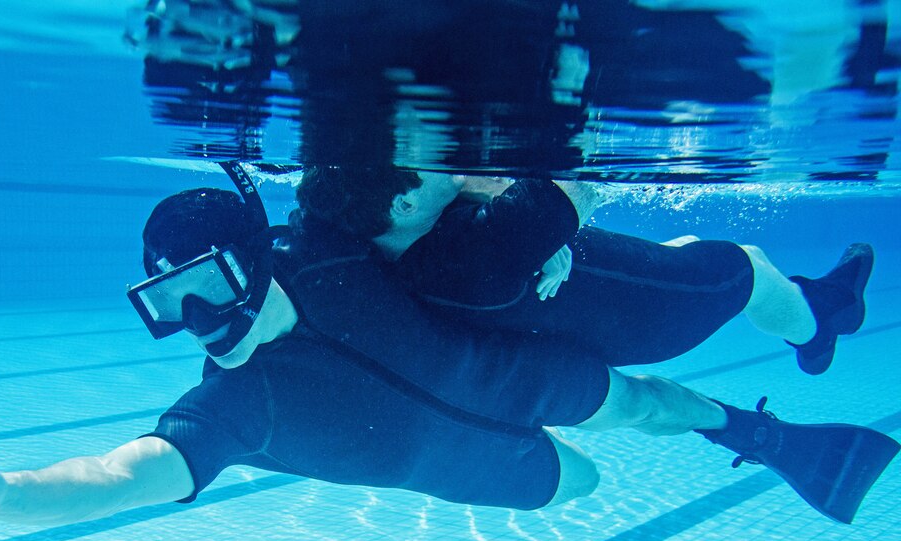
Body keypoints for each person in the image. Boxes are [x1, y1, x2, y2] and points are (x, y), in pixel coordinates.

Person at [0, 178, 898, 532]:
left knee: (641, 403)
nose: (199, 319)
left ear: (257, 256)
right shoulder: (236, 405)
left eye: (206, 284)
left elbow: (423, 182)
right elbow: (134, 471)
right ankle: (766, 410)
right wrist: (12, 495)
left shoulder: (332, 242)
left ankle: (766, 425)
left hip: (535, 366)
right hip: (496, 469)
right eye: (168, 305)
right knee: (578, 481)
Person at [296, 167, 874, 374]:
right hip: (649, 315)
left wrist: (548, 232)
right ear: (401, 204)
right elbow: (580, 175)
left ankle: (815, 314)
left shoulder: (378, 240)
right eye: (413, 156)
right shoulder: (478, 249)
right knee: (744, 265)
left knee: (688, 241)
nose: (433, 151)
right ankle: (821, 326)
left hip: (600, 308)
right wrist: (544, 223)